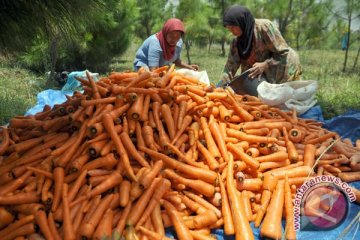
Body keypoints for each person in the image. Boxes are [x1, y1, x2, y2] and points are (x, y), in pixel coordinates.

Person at [216, 5, 302, 89]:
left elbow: (283, 52)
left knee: (284, 96)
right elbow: (229, 68)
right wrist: (217, 87)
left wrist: (265, 64)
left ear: (241, 21)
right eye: (229, 29)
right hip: (261, 73)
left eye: (233, 27)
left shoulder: (264, 27)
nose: (232, 31)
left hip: (283, 67)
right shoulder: (237, 42)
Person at [134, 18, 199, 71]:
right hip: (145, 65)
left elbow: (176, 61)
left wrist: (189, 67)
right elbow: (154, 70)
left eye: (177, 37)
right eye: (171, 36)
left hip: (161, 66)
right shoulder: (155, 43)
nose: (174, 39)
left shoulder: (179, 43)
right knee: (150, 80)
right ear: (166, 33)